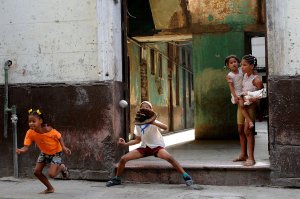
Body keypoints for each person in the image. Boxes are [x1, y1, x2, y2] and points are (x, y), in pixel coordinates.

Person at [106, 101, 193, 187]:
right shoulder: (138, 124)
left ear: (151, 110)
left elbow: (165, 127)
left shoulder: (154, 121)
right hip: (144, 148)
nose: (145, 108)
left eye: (147, 107)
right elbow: (137, 140)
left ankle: (185, 176)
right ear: (141, 110)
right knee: (123, 159)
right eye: (143, 107)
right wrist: (125, 144)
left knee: (169, 158)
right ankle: (117, 179)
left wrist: (153, 122)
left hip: (157, 147)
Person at [16, 109, 71, 194]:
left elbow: (59, 136)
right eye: (29, 121)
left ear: (40, 121)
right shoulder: (30, 133)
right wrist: (21, 150)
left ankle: (62, 167)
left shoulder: (48, 129)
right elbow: (26, 147)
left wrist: (64, 147)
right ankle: (50, 188)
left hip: (56, 153)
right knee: (37, 172)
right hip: (44, 153)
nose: (31, 123)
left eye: (33, 121)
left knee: (52, 175)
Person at [235, 55, 264, 166]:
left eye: (245, 65)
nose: (242, 67)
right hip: (242, 106)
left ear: (252, 66)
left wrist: (253, 98)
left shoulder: (256, 79)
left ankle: (251, 158)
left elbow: (263, 94)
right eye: (241, 65)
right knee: (240, 130)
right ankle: (243, 155)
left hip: (250, 106)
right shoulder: (244, 76)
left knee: (248, 131)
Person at [225, 55, 254, 130]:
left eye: (235, 62)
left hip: (244, 90)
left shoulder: (242, 70)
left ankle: (249, 121)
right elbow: (231, 87)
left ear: (238, 63)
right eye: (231, 63)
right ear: (228, 66)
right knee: (241, 106)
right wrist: (234, 96)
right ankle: (249, 121)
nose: (234, 64)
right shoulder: (229, 75)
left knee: (247, 104)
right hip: (237, 93)